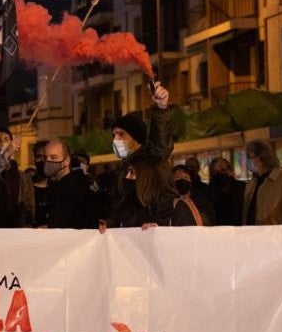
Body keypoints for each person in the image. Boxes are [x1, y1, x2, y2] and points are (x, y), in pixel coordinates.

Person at [107, 81, 173, 221]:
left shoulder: (152, 159)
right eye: (114, 135)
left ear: (136, 138)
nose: (115, 139)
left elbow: (161, 139)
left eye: (121, 134)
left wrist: (161, 107)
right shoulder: (123, 168)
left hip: (147, 236)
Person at [107, 155, 203, 229]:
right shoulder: (126, 207)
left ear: (149, 177)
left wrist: (160, 235)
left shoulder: (174, 207)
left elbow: (190, 246)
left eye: (132, 173)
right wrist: (104, 231)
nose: (127, 177)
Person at [42, 140, 101, 229]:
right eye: (45, 158)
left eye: (53, 157)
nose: (48, 161)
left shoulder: (76, 189)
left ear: (66, 161)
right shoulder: (55, 186)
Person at [242, 139, 282, 226]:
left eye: (250, 157)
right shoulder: (252, 183)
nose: (248, 161)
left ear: (262, 157)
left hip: (274, 234)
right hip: (252, 234)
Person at [0, 127, 35, 227]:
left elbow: (30, 209)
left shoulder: (24, 178)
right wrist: (5, 156)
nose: (3, 144)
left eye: (6, 140)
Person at [206, 157, 246, 226]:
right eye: (216, 171)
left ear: (229, 170)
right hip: (218, 229)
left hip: (238, 227)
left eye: (223, 170)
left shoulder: (241, 186)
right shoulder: (209, 190)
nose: (220, 173)